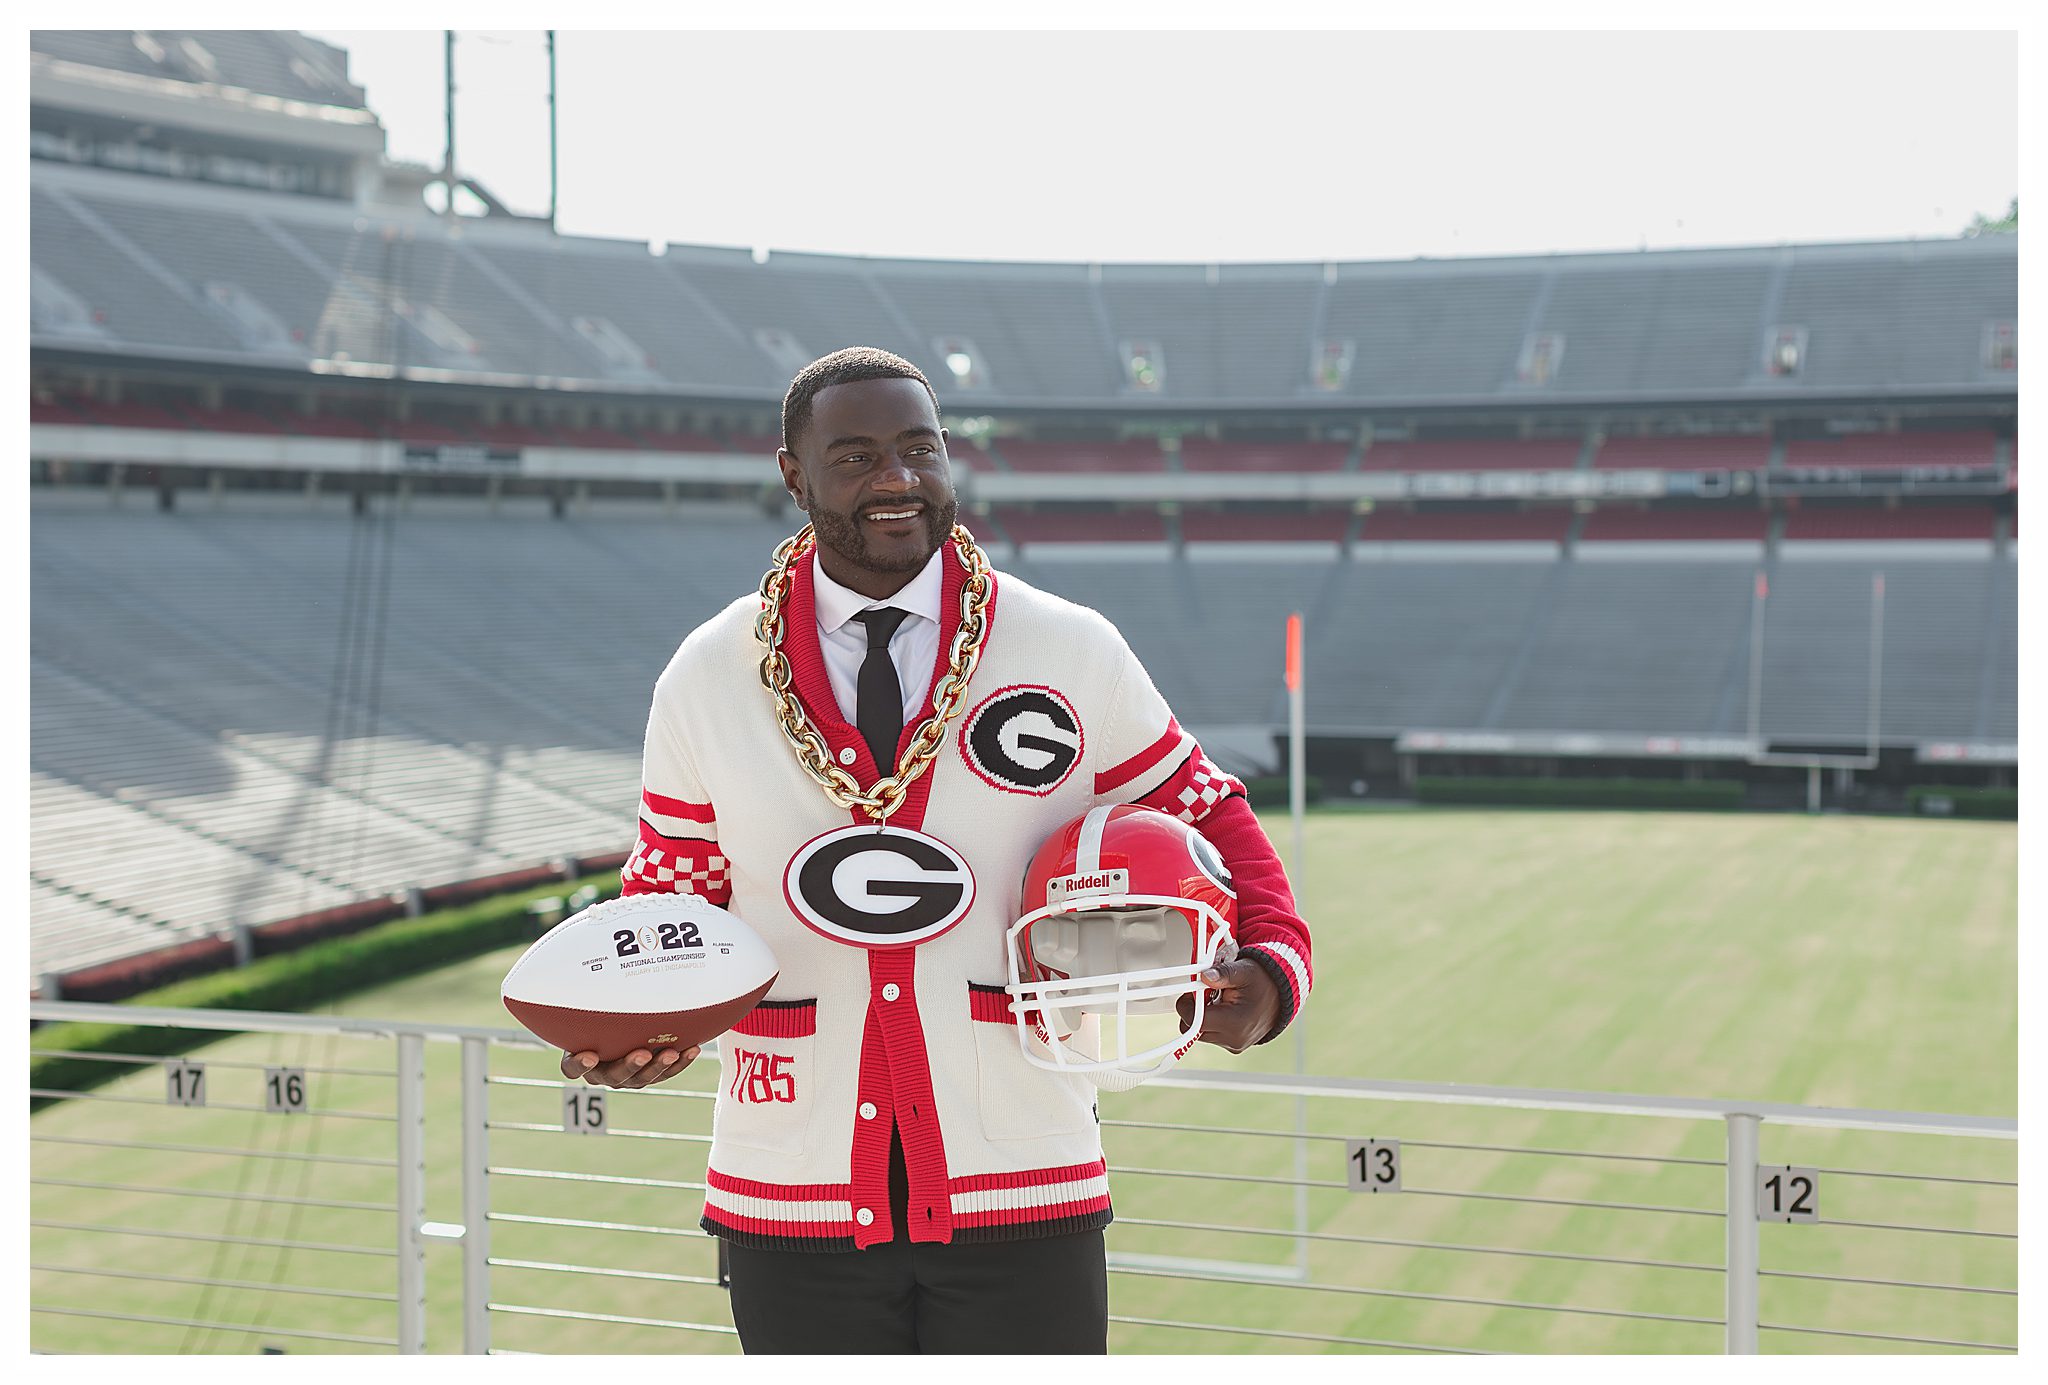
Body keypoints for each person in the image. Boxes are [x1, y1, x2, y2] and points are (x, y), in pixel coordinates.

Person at [560, 347, 1314, 1354]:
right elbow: (674, 898)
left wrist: (1270, 969)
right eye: (857, 454)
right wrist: (647, 1030)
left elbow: (1208, 811)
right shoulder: (707, 674)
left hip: (1028, 1170)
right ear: (793, 473)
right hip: (788, 1187)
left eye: (920, 448)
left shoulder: (1067, 646)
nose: (897, 479)